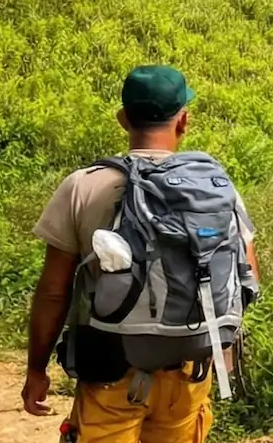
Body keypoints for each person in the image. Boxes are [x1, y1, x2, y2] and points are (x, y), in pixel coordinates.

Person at [21, 65, 260, 443]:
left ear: (123, 118)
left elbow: (54, 291)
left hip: (110, 369)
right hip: (189, 369)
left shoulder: (84, 186)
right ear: (184, 121)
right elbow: (248, 277)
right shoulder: (215, 188)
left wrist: (36, 370)